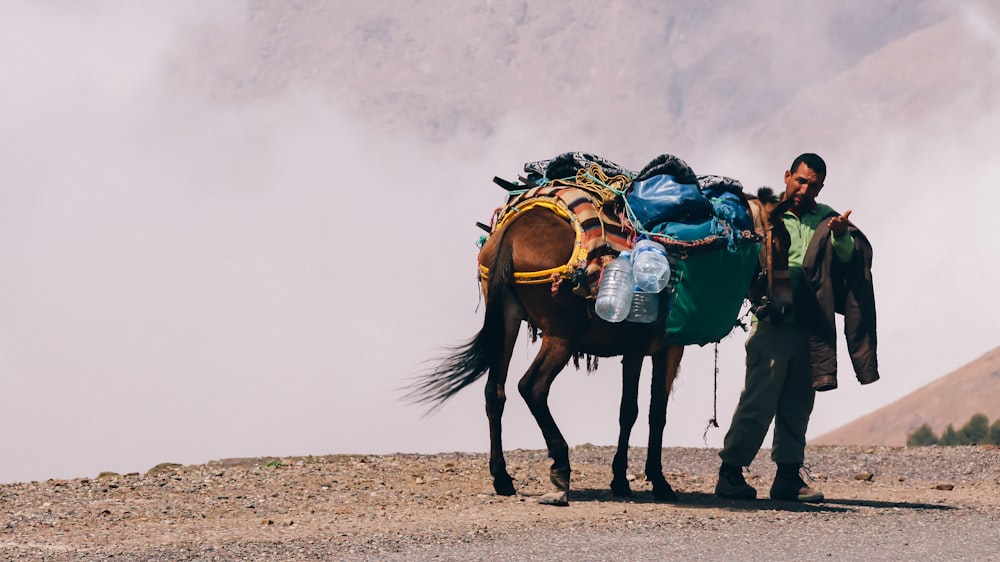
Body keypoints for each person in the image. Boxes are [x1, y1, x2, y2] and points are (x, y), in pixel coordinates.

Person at [715, 152, 879, 502]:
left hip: (809, 327)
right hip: (772, 323)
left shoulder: (826, 218)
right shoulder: (764, 213)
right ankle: (730, 473)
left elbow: (849, 260)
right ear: (788, 175)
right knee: (758, 402)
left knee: (797, 405)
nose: (805, 189)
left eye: (814, 185)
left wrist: (840, 236)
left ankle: (788, 477)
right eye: (801, 181)